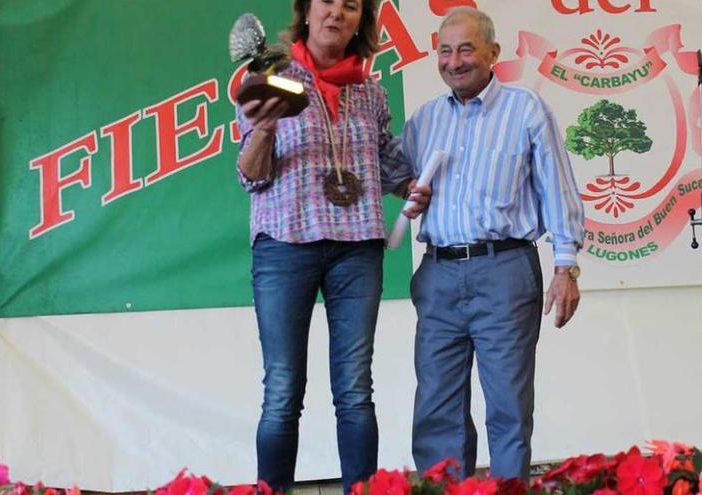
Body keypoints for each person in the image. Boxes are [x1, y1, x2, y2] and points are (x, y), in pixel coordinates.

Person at [234, 0, 430, 492]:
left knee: (355, 390)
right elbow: (251, 176)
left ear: (361, 21)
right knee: (281, 392)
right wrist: (264, 128)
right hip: (285, 245)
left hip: (356, 249)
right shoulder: (268, 77)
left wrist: (411, 188)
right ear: (306, 10)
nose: (337, 13)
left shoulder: (371, 91)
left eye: (351, 6)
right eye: (327, 1)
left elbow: (385, 161)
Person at [399, 7, 585, 481]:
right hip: (438, 275)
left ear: (493, 54)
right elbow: (396, 176)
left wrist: (566, 268)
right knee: (436, 409)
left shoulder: (525, 109)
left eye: (466, 49)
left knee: (507, 407)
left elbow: (558, 189)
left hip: (505, 273)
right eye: (445, 50)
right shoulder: (423, 121)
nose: (454, 61)